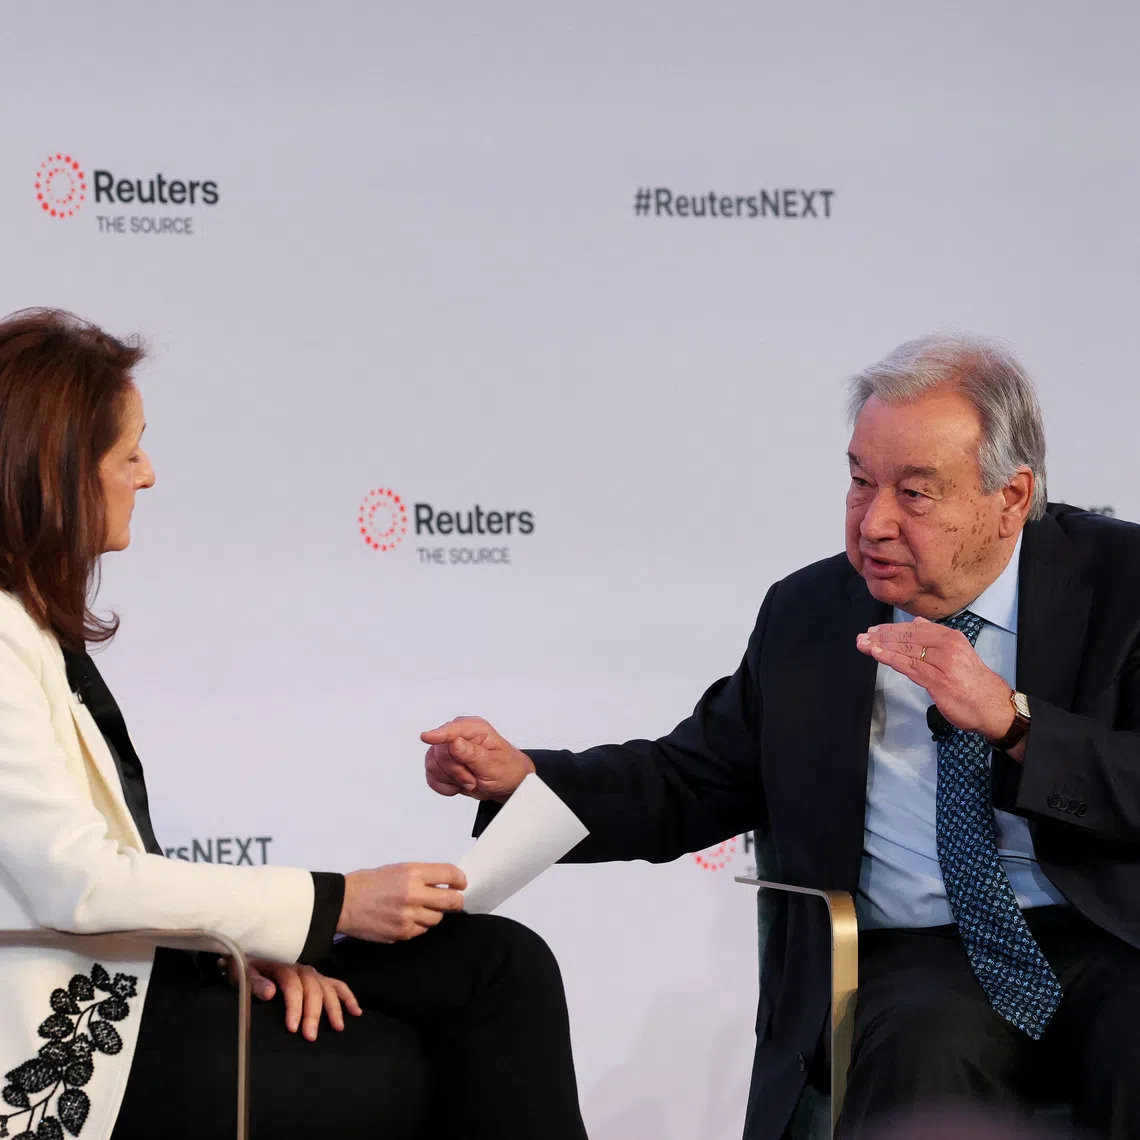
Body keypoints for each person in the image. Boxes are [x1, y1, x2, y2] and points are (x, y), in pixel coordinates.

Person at [422, 333, 1140, 1139]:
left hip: (1111, 932)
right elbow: (690, 780)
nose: (873, 523)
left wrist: (1013, 723)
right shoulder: (812, 614)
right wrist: (523, 780)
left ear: (1011, 497)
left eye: (915, 493)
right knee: (916, 1054)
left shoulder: (1123, 584)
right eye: (860, 482)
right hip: (927, 954)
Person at [0, 309, 588, 1140]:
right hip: (93, 1030)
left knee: (502, 967)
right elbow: (79, 884)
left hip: (155, 971)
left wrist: (251, 946)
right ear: (53, 474)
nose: (150, 475)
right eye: (129, 453)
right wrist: (335, 903)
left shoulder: (31, 624)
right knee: (398, 1067)